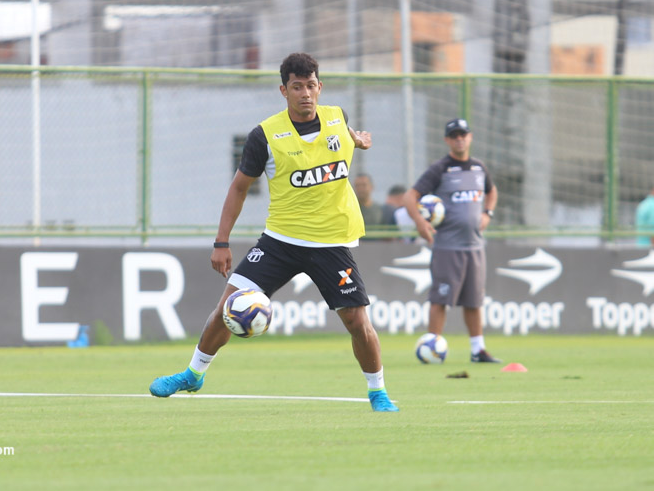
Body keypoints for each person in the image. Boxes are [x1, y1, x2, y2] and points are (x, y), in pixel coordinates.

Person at [149, 52, 398, 412]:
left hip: (331, 242)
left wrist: (357, 141)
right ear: (284, 90)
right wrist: (221, 242)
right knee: (226, 307)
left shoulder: (337, 117)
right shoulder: (264, 136)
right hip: (280, 241)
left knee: (357, 321)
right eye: (297, 87)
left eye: (311, 86)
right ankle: (193, 374)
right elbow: (238, 188)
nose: (306, 94)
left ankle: (378, 393)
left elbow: (343, 134)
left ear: (320, 86)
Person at [403, 118, 501, 363]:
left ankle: (478, 350)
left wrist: (488, 213)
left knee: (474, 301)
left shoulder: (479, 168)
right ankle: (432, 346)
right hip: (448, 247)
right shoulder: (441, 169)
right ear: (447, 140)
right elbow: (411, 196)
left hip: (475, 246)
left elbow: (492, 191)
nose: (459, 139)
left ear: (470, 137)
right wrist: (420, 222)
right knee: (440, 299)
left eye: (463, 134)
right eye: (454, 135)